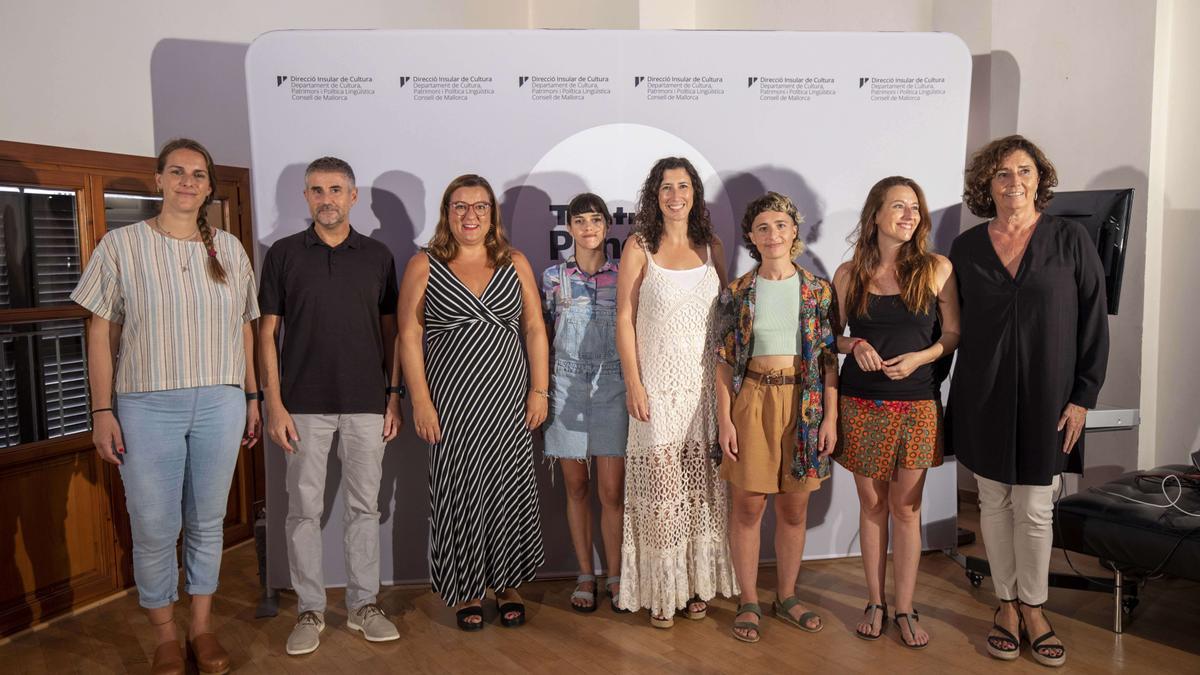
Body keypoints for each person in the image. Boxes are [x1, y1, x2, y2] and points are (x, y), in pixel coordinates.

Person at [72, 138, 259, 675]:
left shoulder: (228, 248)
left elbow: (244, 329)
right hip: (146, 405)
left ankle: (202, 628)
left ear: (208, 186)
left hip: (220, 402)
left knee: (207, 520)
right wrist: (101, 411)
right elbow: (100, 331)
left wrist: (250, 397)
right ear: (158, 180)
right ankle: (165, 637)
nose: (187, 181)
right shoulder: (120, 245)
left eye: (198, 174)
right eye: (176, 172)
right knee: (154, 525)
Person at [950, 135, 1109, 668]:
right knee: (993, 501)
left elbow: (1093, 322)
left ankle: (1035, 609)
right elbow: (952, 327)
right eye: (1001, 173)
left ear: (1039, 178)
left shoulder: (1071, 239)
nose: (1013, 181)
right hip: (984, 393)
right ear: (986, 185)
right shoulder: (967, 248)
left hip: (1050, 396)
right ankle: (1006, 605)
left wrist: (1083, 397)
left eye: (1023, 170)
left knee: (1037, 507)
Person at [258, 157, 403, 655]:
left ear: (353, 195)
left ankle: (364, 605)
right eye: (317, 190)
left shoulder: (379, 256)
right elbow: (266, 334)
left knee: (365, 508)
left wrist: (393, 395)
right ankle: (310, 610)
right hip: (301, 405)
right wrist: (272, 403)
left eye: (336, 189)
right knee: (303, 512)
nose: (327, 199)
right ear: (305, 197)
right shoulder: (282, 255)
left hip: (366, 403)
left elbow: (392, 333)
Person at [397, 174, 548, 631]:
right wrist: (419, 401)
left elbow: (536, 328)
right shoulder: (424, 265)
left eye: (480, 207)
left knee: (505, 490)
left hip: (507, 399)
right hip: (452, 405)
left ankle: (506, 584)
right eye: (460, 206)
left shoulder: (514, 261)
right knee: (458, 491)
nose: (470, 216)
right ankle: (466, 588)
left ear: (492, 215)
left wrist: (539, 389)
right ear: (447, 213)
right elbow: (408, 335)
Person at [831, 177, 959, 648]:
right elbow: (830, 337)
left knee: (906, 510)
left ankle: (905, 607)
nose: (909, 214)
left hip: (918, 404)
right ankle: (875, 602)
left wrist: (921, 357)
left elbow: (953, 336)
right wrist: (855, 344)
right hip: (860, 403)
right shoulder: (848, 274)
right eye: (898, 206)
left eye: (915, 207)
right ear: (875, 215)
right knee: (872, 505)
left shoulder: (938, 268)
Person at [615, 156, 736, 627]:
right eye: (666, 187)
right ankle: (663, 593)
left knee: (699, 490)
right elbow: (623, 317)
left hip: (705, 390)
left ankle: (694, 586)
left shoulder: (713, 247)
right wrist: (633, 382)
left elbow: (726, 317)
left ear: (694, 193)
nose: (674, 195)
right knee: (663, 493)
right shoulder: (639, 246)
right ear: (655, 195)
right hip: (656, 390)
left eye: (683, 186)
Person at [715, 192, 839, 643]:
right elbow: (723, 361)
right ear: (751, 236)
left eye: (781, 225)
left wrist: (831, 416)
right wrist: (725, 420)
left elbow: (828, 359)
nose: (773, 235)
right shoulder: (737, 292)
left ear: (794, 231)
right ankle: (749, 599)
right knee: (748, 505)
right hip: (751, 399)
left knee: (795, 506)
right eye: (763, 227)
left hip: (804, 405)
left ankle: (785, 595)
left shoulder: (818, 290)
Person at [541, 193, 628, 613]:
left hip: (613, 389)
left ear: (607, 227)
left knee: (612, 490)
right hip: (565, 388)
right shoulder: (552, 278)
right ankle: (584, 575)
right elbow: (539, 337)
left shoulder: (624, 274)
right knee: (576, 486)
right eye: (581, 220)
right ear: (569, 227)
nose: (589, 227)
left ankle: (615, 574)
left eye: (596, 220)